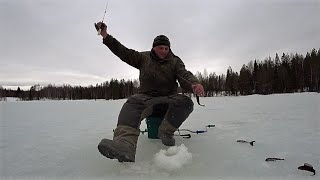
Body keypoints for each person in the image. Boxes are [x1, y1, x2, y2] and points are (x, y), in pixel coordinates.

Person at [95, 22, 204, 162]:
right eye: (161, 48)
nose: (164, 51)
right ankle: (125, 144)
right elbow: (123, 52)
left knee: (186, 102)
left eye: (166, 48)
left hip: (169, 97)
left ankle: (166, 132)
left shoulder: (175, 62)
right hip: (146, 97)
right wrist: (105, 36)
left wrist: (194, 84)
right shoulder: (143, 58)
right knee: (132, 103)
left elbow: (185, 75)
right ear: (154, 48)